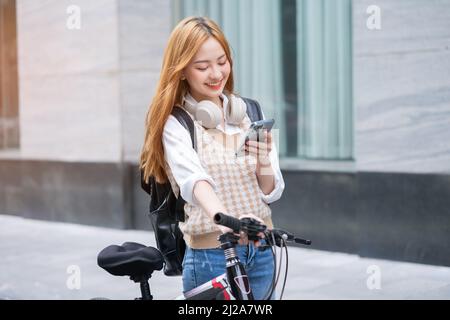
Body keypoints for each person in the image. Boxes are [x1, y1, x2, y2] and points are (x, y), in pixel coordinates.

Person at [139, 16, 285, 300]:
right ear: (181, 71)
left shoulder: (251, 113)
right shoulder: (176, 123)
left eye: (222, 61)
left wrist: (263, 161)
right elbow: (195, 181)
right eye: (202, 67)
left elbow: (271, 191)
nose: (216, 74)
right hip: (211, 256)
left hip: (263, 251)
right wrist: (226, 219)